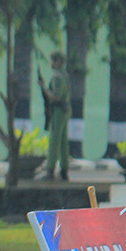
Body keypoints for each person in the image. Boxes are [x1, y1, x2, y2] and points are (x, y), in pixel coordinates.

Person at [38, 51, 71, 180]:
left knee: (54, 140)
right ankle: (64, 170)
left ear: (59, 62)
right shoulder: (64, 75)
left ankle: (50, 170)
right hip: (65, 110)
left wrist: (44, 88)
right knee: (63, 142)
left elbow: (55, 97)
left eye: (54, 60)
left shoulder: (57, 77)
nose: (52, 63)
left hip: (59, 110)